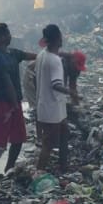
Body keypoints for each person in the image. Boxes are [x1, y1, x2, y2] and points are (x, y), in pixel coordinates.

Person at [0, 23, 36, 181]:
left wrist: (47, 55)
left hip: (15, 102)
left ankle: (8, 168)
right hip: (3, 103)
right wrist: (13, 106)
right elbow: (8, 84)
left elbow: (28, 55)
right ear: (0, 37)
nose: (10, 36)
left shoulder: (12, 53)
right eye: (7, 34)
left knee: (18, 138)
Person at [36, 24, 70, 174]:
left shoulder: (42, 54)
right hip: (52, 108)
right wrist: (73, 93)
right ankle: (39, 172)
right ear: (57, 39)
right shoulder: (54, 60)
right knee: (48, 144)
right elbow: (56, 85)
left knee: (64, 132)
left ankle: (63, 167)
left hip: (47, 105)